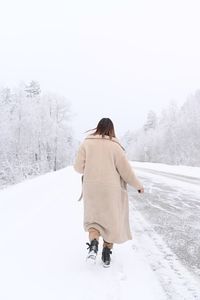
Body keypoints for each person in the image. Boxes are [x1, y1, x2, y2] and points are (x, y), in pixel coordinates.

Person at [73, 118, 144, 267]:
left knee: (93, 220)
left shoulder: (87, 143)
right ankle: (106, 253)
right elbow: (126, 172)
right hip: (111, 190)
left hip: (91, 188)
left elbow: (78, 168)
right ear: (112, 129)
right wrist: (138, 185)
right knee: (110, 222)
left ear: (97, 128)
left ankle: (93, 244)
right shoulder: (116, 147)